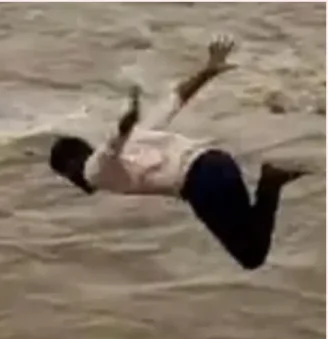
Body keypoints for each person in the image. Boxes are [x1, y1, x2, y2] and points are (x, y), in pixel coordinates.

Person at [49, 35, 306, 270]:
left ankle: (270, 184)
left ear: (71, 166)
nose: (73, 181)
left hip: (202, 183)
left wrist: (124, 126)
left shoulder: (93, 171)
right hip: (218, 162)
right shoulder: (140, 134)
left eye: (66, 175)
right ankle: (270, 184)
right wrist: (208, 71)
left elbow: (109, 148)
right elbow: (174, 100)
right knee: (249, 237)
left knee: (251, 256)